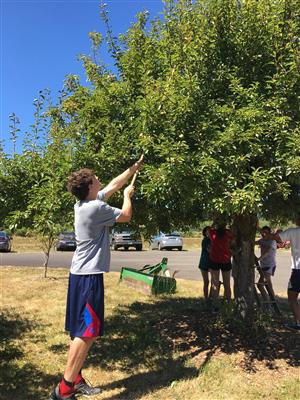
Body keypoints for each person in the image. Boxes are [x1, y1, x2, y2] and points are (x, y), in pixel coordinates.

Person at [49, 157, 143, 400]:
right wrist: (128, 196)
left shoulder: (84, 204)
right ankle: (65, 389)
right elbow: (125, 216)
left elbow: (113, 184)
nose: (99, 179)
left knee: (80, 330)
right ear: (90, 186)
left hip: (79, 275)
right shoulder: (95, 208)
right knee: (88, 332)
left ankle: (76, 379)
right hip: (89, 277)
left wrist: (132, 170)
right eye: (95, 179)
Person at [263, 214, 300, 331]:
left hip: (298, 270)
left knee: (292, 297)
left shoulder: (293, 231)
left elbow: (275, 238)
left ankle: (298, 323)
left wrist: (261, 231)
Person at [208, 224, 234, 303]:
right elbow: (233, 241)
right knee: (227, 284)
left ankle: (215, 305)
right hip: (225, 260)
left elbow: (210, 229)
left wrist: (214, 225)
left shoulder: (212, 232)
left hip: (214, 260)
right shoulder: (228, 233)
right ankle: (228, 304)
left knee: (215, 284)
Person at [255, 226, 277, 302]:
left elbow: (268, 252)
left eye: (266, 232)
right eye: (263, 232)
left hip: (270, 265)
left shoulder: (272, 241)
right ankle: (273, 301)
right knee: (268, 285)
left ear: (269, 233)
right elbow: (253, 243)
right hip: (263, 265)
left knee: (260, 285)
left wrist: (259, 258)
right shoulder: (262, 240)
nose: (264, 234)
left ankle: (268, 302)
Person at [198, 226, 211, 301]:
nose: (209, 232)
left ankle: (211, 296)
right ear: (205, 232)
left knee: (214, 281)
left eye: (210, 231)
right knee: (206, 282)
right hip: (204, 263)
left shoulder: (212, 240)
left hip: (211, 262)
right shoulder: (205, 240)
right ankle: (206, 298)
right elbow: (209, 250)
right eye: (208, 231)